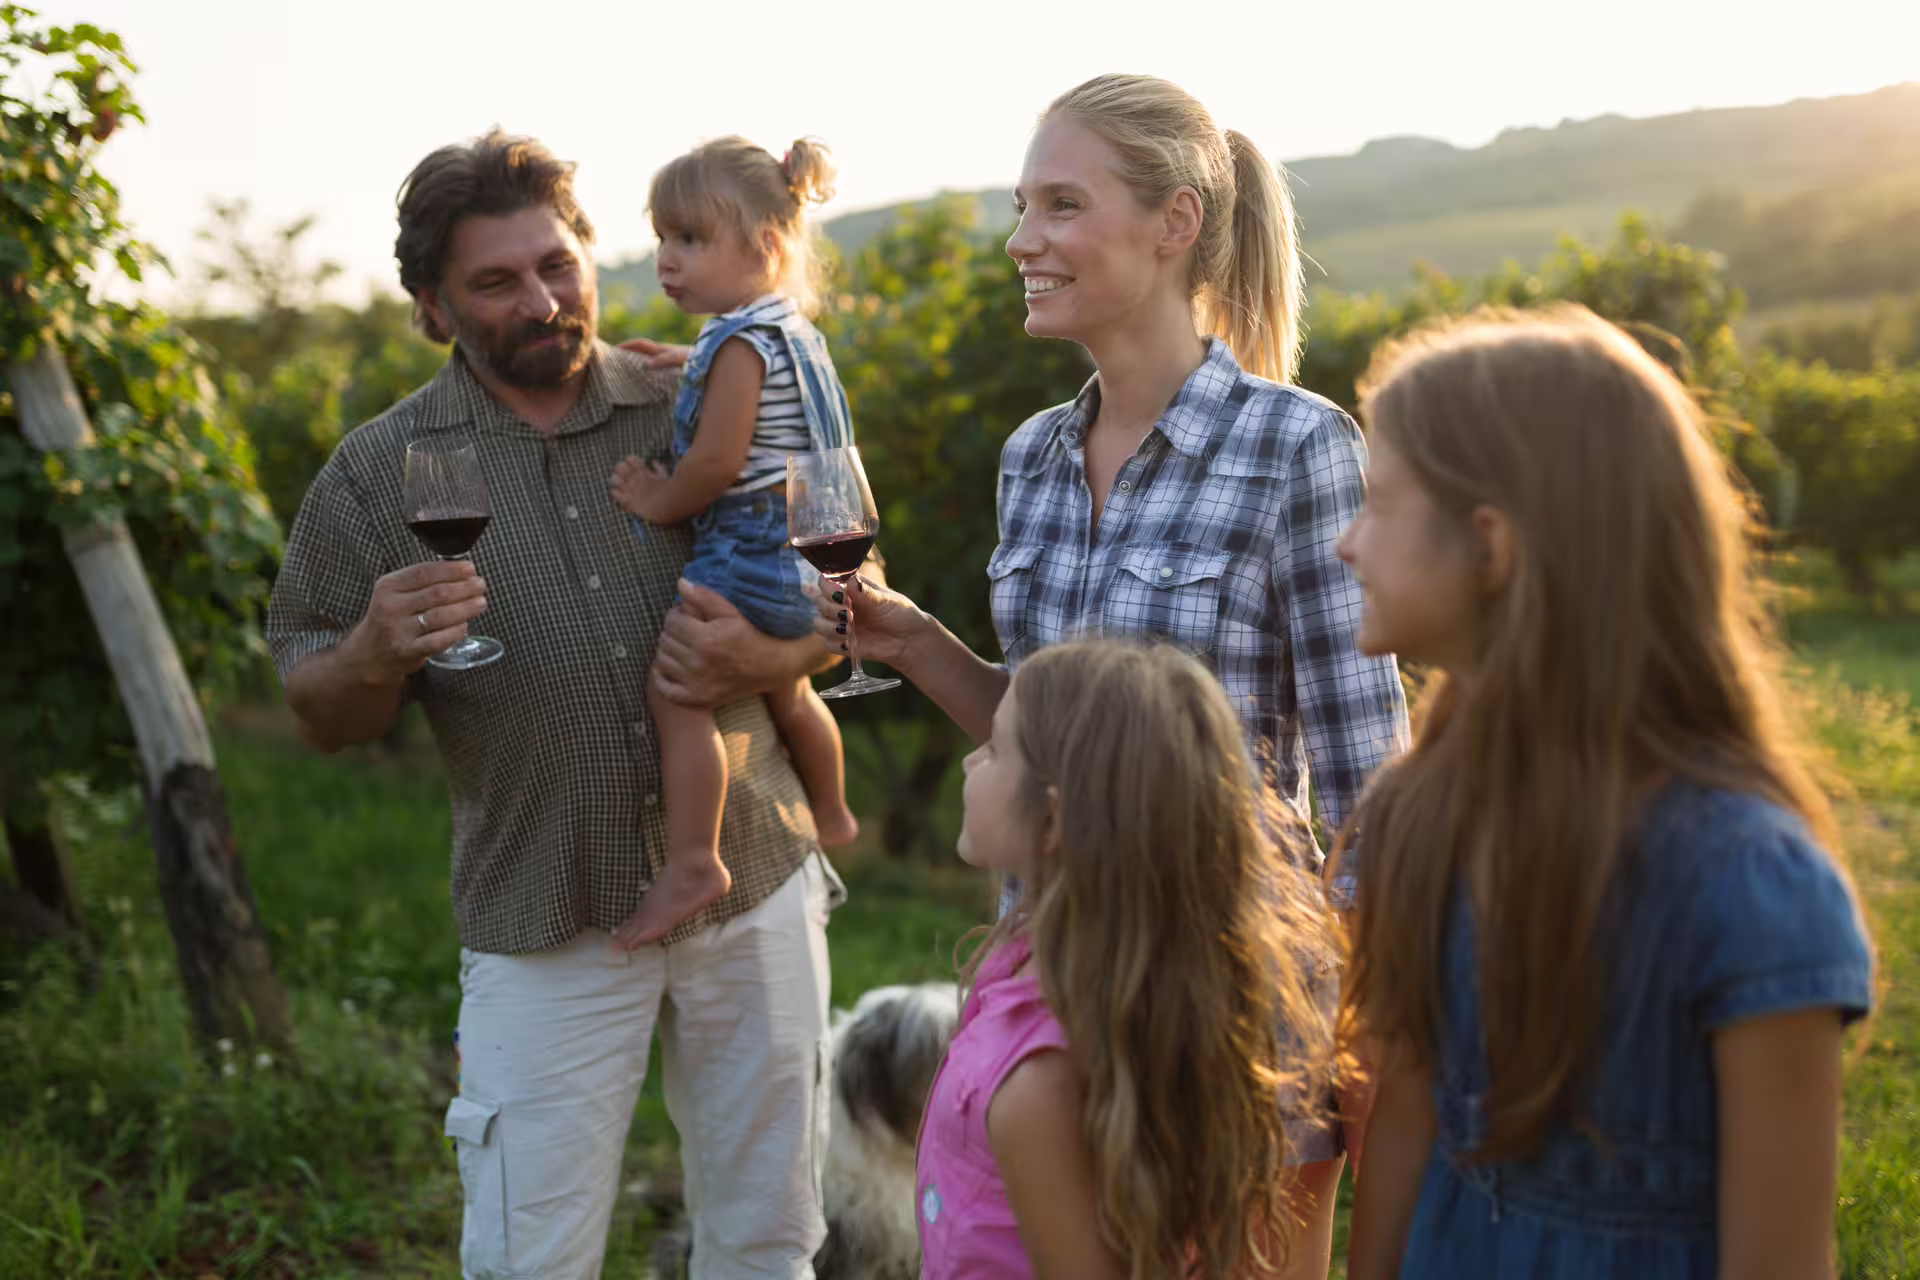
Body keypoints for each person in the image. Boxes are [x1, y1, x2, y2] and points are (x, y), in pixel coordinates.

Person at [802, 73, 1411, 1259]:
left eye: (1062, 205)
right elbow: (1047, 747)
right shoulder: (1033, 456)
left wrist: (1353, 1022)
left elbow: (1370, 782)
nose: (1023, 239)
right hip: (1050, 987)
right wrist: (918, 642)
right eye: (1025, 205)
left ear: (1176, 222)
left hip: (1232, 999)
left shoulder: (1297, 445)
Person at [266, 128, 846, 1280]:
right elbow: (317, 708)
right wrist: (375, 650)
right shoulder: (378, 472)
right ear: (433, 307)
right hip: (546, 913)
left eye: (558, 264)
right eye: (496, 281)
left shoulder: (693, 396)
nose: (542, 300)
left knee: (770, 1239)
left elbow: (845, 596)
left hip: (756, 879)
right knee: (529, 1252)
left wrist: (772, 660)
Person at [1337, 306, 1876, 1280]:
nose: (1345, 542)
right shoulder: (1413, 818)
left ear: (1493, 546)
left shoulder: (1752, 885)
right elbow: (1408, 1127)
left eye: (1375, 501)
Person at [917, 640, 1340, 1280]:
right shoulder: (1029, 956)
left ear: (1054, 818)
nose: (972, 760)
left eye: (996, 749)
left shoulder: (1041, 1083)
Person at [606, 134, 859, 948]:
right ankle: (833, 812)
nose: (665, 261)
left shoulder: (740, 347)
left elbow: (715, 462)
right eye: (662, 239)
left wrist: (657, 500)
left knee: (679, 693)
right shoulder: (787, 330)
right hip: (811, 556)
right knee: (793, 693)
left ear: (766, 245)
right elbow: (764, 405)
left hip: (748, 550)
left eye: (689, 240)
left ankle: (693, 861)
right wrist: (694, 363)